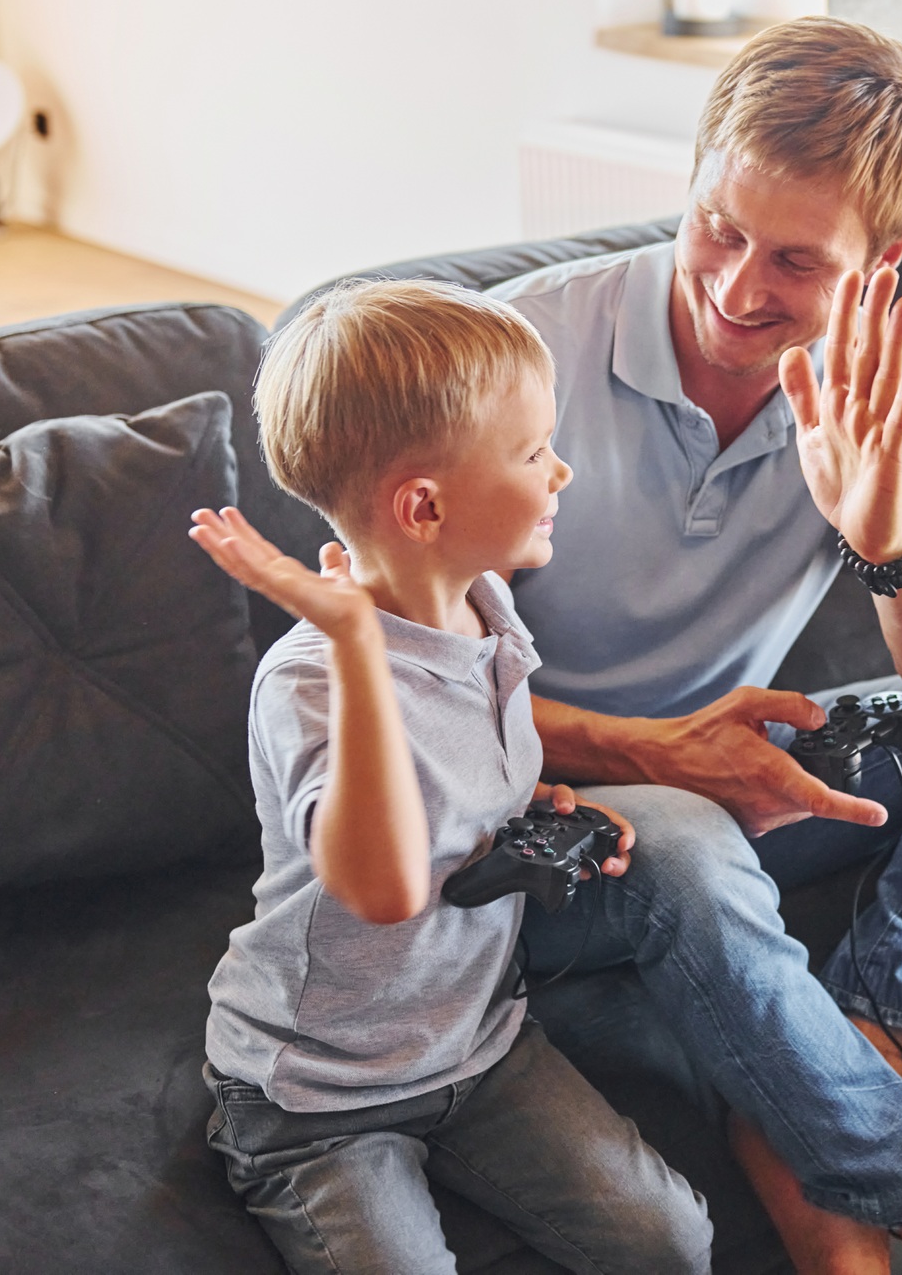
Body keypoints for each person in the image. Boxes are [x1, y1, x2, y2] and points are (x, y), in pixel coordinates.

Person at [487, 17, 902, 1273]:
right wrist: (654, 755)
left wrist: (880, 532)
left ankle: (846, 1044)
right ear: (691, 178)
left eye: (791, 260)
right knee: (679, 838)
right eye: (717, 228)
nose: (732, 289)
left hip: (726, 788)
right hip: (527, 819)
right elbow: (395, 703)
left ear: (884, 257)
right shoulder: (511, 357)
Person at [187, 280, 713, 1275]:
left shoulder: (489, 608)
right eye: (528, 453)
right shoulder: (309, 679)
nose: (559, 469)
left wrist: (527, 814)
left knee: (672, 1243)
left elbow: (459, 782)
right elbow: (381, 889)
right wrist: (350, 640)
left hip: (478, 1044)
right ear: (423, 505)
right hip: (318, 1093)